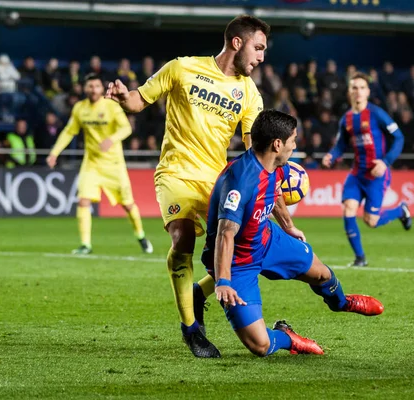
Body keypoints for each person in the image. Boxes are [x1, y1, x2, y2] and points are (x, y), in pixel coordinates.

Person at [105, 15, 269, 358]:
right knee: (183, 239)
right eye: (258, 48)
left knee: (244, 251)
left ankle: (197, 293)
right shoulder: (182, 68)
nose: (261, 57)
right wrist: (123, 96)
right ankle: (192, 328)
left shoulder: (250, 93)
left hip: (216, 180)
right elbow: (139, 100)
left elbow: (255, 145)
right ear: (236, 43)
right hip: (175, 173)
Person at [201, 109, 384, 357]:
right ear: (277, 144)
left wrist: (288, 226)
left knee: (321, 274)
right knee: (260, 346)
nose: (295, 146)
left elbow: (274, 192)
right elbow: (225, 234)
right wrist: (222, 281)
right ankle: (287, 337)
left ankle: (342, 303)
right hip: (237, 263)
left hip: (267, 239)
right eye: (293, 140)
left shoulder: (275, 163)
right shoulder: (241, 180)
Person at [46, 73, 153, 256]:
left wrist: (111, 140)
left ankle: (141, 236)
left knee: (127, 205)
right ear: (85, 88)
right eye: (90, 86)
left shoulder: (111, 105)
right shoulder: (80, 108)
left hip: (114, 164)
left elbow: (126, 128)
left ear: (101, 88)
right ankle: (85, 244)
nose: (93, 89)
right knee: (83, 201)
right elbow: (68, 131)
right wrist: (54, 152)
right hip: (92, 163)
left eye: (96, 86)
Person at [322, 72, 412, 267]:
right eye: (355, 87)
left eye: (362, 88)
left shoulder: (377, 114)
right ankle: (360, 258)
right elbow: (340, 145)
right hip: (356, 174)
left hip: (376, 174)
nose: (358, 92)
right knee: (348, 209)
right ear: (349, 91)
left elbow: (399, 138)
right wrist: (331, 155)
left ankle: (400, 211)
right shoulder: (346, 119)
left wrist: (385, 162)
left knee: (371, 221)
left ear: (368, 91)